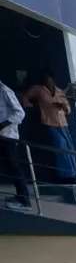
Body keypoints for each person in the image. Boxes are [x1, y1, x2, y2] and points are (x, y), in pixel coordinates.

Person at [22, 72, 76, 183]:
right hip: (49, 122)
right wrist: (28, 106)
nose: (48, 82)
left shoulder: (59, 91)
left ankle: (75, 174)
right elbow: (25, 96)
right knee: (60, 146)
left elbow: (68, 108)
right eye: (46, 79)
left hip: (63, 123)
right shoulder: (39, 89)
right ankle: (66, 175)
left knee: (70, 148)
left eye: (50, 79)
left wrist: (63, 106)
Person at [0, 78, 31, 209]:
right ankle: (20, 197)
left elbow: (20, 113)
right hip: (2, 136)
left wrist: (2, 125)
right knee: (9, 167)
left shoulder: (4, 90)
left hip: (8, 136)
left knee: (14, 167)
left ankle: (24, 200)